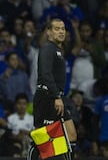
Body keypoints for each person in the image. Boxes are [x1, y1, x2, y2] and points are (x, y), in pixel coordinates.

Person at [32, 19, 77, 159]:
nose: (61, 32)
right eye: (57, 29)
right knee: (43, 139)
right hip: (47, 97)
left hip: (57, 97)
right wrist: (56, 96)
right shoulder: (47, 48)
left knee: (71, 135)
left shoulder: (58, 50)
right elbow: (45, 74)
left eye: (63, 29)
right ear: (49, 32)